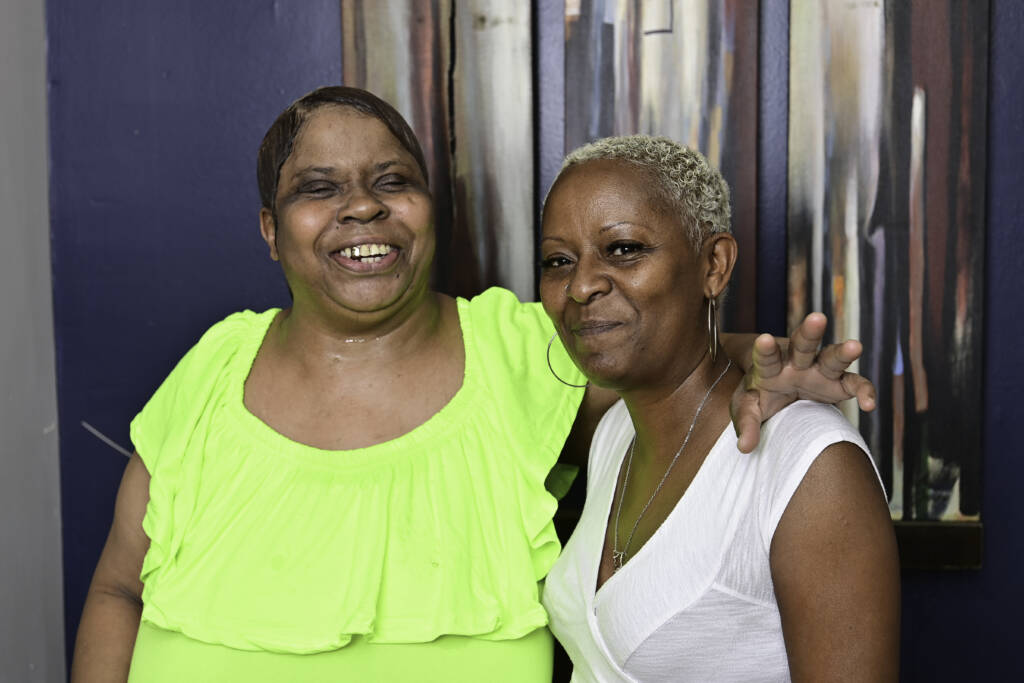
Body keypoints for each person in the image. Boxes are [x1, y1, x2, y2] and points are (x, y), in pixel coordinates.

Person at [70, 87, 877, 682]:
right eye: (318, 188)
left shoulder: (517, 350)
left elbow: (658, 350)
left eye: (393, 182)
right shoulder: (215, 368)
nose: (362, 207)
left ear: (431, 211)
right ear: (271, 232)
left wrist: (757, 365)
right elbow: (115, 587)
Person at [538, 136, 900, 682]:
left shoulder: (811, 464)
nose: (582, 284)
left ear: (714, 264)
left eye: (623, 249)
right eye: (559, 261)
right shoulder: (614, 430)